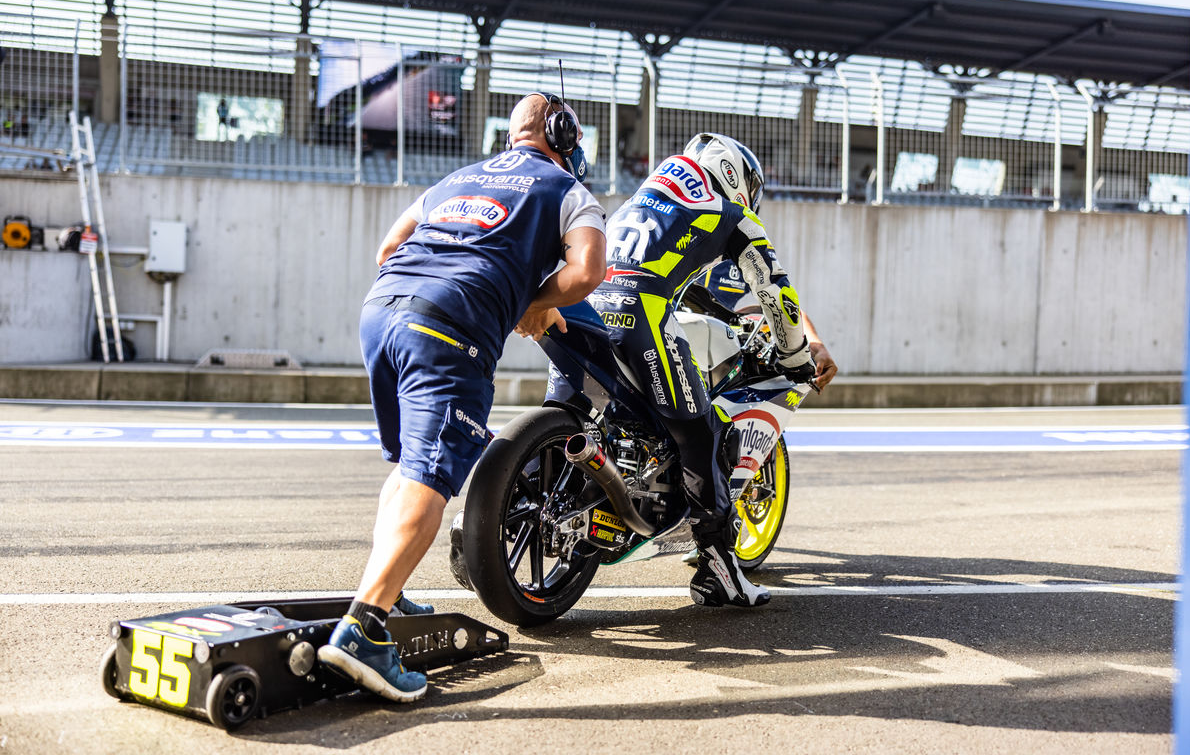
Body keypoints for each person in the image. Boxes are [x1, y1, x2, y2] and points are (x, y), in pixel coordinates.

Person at [317, 93, 607, 702]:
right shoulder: (566, 190)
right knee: (431, 476)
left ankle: (386, 593)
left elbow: (386, 250)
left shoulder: (454, 180)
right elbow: (585, 275)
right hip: (449, 325)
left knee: (409, 469)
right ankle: (365, 630)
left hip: (381, 312)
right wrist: (531, 301)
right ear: (562, 134)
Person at [582, 133, 837, 608]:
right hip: (641, 314)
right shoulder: (729, 215)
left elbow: (716, 296)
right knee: (696, 434)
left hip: (583, 309)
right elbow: (777, 295)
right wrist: (799, 359)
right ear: (733, 175)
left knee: (569, 414)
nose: (751, 199)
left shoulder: (646, 200)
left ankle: (491, 516)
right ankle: (718, 571)